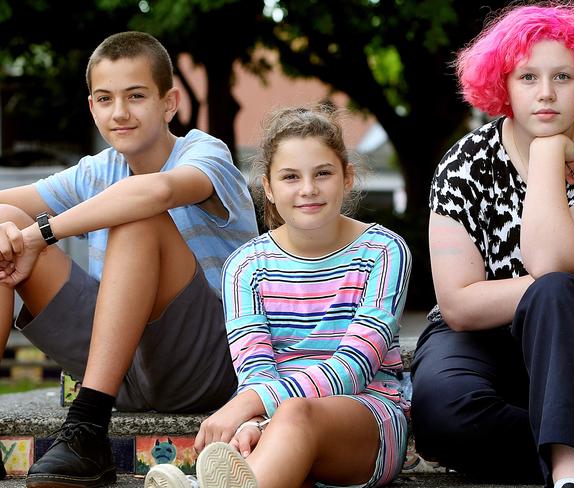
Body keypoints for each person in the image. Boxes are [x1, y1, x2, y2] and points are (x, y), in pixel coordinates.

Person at [0, 31, 258, 487]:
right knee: (3, 221)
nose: (119, 112)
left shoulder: (206, 153)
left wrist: (44, 232)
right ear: (92, 107)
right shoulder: (98, 169)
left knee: (139, 217)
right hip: (122, 369)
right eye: (105, 98)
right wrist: (11, 227)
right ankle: (91, 413)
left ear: (169, 102)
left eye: (135, 96)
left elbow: (154, 192)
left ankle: (86, 429)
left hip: (205, 364)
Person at [410, 3, 574, 488]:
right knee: (440, 419)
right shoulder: (463, 164)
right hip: (478, 340)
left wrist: (545, 153)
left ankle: (573, 477)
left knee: (556, 292)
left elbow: (548, 261)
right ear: (503, 85)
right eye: (527, 78)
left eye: (563, 76)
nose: (545, 94)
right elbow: (458, 305)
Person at [144, 105, 412, 488]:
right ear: (268, 187)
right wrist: (255, 422)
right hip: (271, 416)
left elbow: (355, 366)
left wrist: (252, 407)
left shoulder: (383, 252)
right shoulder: (245, 267)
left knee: (297, 415)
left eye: (323, 173)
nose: (308, 189)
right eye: (290, 177)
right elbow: (255, 369)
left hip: (367, 421)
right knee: (286, 422)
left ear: (347, 177)